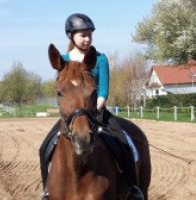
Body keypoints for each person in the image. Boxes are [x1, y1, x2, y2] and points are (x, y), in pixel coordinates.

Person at [39, 13, 143, 200]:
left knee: (125, 144)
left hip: (97, 112)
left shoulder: (99, 58)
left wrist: (96, 108)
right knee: (44, 147)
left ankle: (134, 188)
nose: (87, 39)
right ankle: (47, 191)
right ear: (71, 36)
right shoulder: (62, 60)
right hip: (70, 116)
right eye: (83, 35)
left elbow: (102, 90)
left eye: (89, 35)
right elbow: (64, 91)